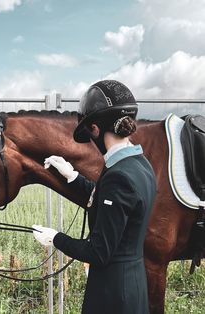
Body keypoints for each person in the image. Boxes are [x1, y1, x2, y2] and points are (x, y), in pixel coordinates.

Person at [33, 80, 156, 314]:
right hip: (133, 285)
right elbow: (117, 205)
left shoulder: (118, 175)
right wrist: (71, 175)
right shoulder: (139, 164)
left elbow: (98, 253)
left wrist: (55, 238)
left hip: (112, 296)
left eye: (89, 133)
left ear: (96, 129)